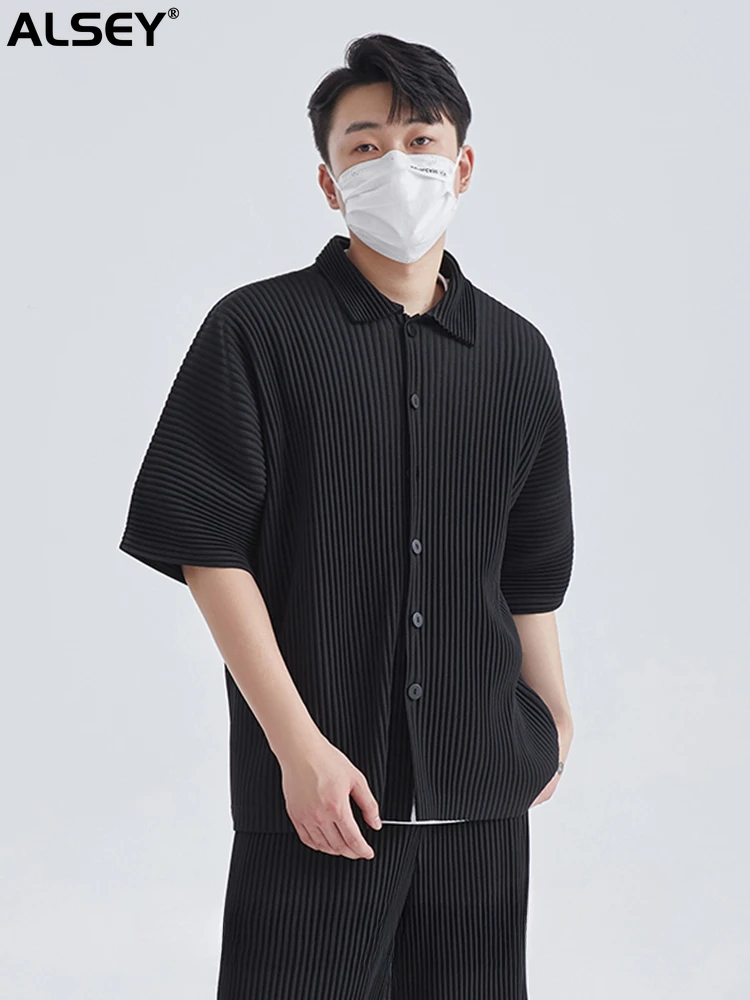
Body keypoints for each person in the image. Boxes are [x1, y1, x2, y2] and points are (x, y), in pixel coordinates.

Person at [119, 31, 575, 1000]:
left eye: (420, 139)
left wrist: (555, 717)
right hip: (316, 805)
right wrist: (299, 750)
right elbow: (208, 546)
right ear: (329, 182)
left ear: (462, 165)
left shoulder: (518, 355)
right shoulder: (257, 331)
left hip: (482, 810)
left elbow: (528, 569)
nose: (396, 163)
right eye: (364, 145)